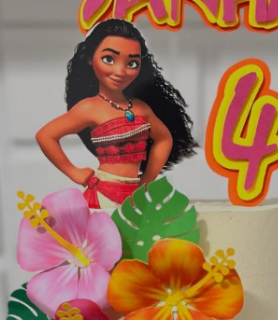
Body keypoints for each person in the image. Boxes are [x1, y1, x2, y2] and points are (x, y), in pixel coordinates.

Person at [36, 19, 197, 209]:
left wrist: (146, 181)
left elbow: (164, 139)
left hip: (134, 196)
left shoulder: (141, 108)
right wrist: (74, 172)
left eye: (132, 63)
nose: (120, 71)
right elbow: (45, 135)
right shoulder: (89, 108)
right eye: (109, 59)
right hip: (104, 194)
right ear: (90, 59)